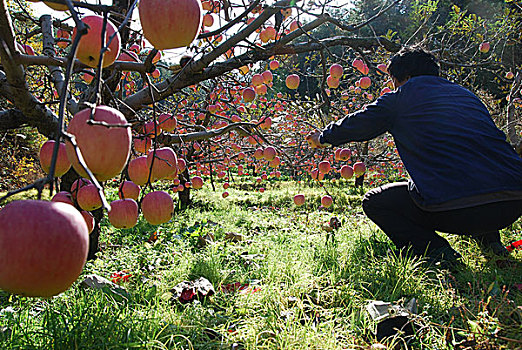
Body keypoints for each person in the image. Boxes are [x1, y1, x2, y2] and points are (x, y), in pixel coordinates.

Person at [306, 46, 522, 266]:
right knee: (474, 169)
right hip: (512, 203)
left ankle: (439, 255)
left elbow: (359, 123)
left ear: (404, 78)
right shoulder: (467, 97)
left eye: (393, 80)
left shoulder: (401, 98)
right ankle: (493, 246)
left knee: (375, 202)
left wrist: (323, 137)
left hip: (456, 209)